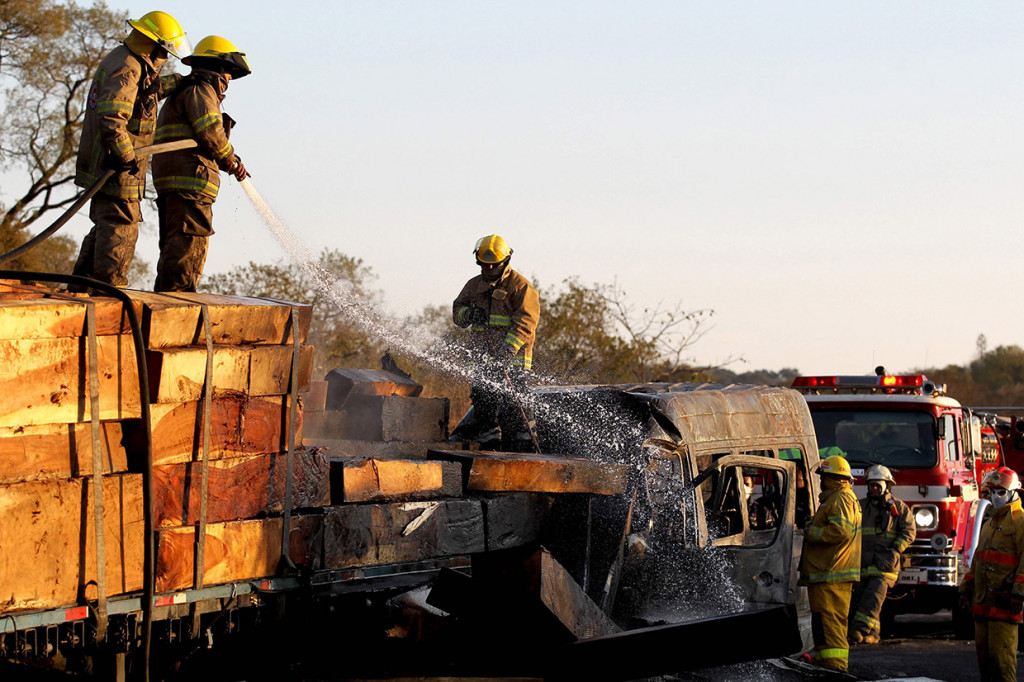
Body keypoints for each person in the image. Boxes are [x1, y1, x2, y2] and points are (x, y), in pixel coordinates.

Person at [72, 11, 190, 288]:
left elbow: (144, 94)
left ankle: (80, 286)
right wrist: (126, 156)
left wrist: (178, 82)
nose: (165, 59)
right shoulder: (129, 68)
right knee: (121, 225)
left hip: (108, 161)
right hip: (116, 164)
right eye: (164, 52)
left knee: (106, 224)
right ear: (153, 46)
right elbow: (113, 118)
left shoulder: (128, 60)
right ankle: (110, 292)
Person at [151, 35, 251, 292]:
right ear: (217, 67)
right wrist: (231, 160)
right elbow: (211, 133)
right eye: (228, 72)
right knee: (189, 243)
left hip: (175, 179)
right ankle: (177, 301)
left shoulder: (183, 92)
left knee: (175, 244)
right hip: (192, 180)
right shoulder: (202, 91)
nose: (229, 79)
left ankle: (169, 298)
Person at [450, 234, 540, 451]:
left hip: (513, 363)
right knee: (483, 404)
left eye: (493, 266)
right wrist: (469, 314)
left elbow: (526, 322)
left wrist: (508, 350)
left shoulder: (520, 287)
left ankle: (520, 449)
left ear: (505, 262)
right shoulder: (473, 285)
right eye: (484, 265)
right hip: (482, 361)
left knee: (514, 409)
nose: (488, 270)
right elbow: (457, 312)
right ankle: (489, 448)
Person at [798, 452, 862, 672]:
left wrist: (811, 532)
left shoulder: (841, 497)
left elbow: (840, 531)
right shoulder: (836, 498)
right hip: (825, 575)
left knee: (831, 624)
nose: (820, 481)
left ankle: (835, 668)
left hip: (831, 574)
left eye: (822, 477)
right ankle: (826, 664)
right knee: (824, 625)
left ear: (832, 478)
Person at [959, 467, 1024, 682]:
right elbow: (978, 560)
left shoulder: (1020, 522)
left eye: (1001, 491)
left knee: (1003, 663)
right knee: (985, 664)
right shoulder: (989, 524)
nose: (995, 496)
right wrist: (965, 590)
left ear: (1014, 493)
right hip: (983, 606)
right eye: (992, 491)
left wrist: (1018, 594)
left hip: (1004, 606)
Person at [849, 464, 916, 644]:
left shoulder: (898, 509)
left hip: (886, 564)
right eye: (872, 485)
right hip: (863, 563)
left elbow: (909, 532)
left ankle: (858, 629)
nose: (875, 489)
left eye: (878, 485)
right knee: (864, 596)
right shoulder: (860, 507)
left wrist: (895, 549)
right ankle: (873, 635)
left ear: (887, 485)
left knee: (873, 597)